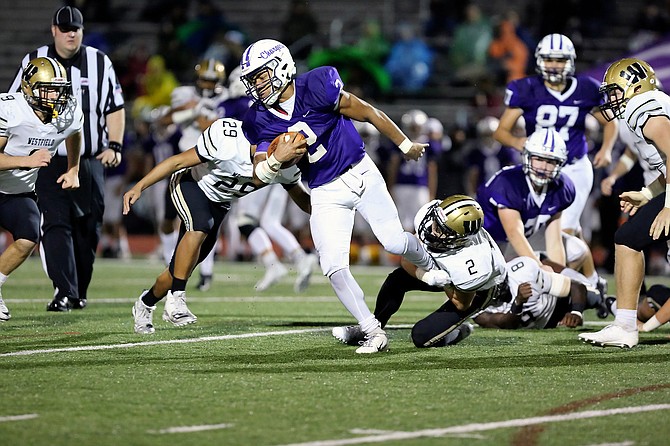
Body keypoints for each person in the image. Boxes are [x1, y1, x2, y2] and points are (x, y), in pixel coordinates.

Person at [239, 39, 446, 354]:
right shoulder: (259, 118)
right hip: (323, 190)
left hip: (359, 172)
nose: (256, 84)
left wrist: (405, 145)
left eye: (260, 76)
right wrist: (274, 161)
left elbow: (368, 112)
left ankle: (435, 266)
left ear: (280, 66)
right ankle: (372, 330)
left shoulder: (318, 84)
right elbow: (258, 170)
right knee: (333, 266)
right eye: (252, 79)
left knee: (392, 241)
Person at [123, 117, 310, 334]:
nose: (282, 163)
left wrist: (334, 208)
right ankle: (177, 299)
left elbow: (305, 202)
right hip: (191, 184)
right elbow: (177, 162)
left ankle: (145, 303)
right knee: (200, 225)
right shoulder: (229, 139)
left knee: (180, 268)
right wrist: (139, 186)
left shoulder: (284, 168)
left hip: (219, 204)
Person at [9, 6, 125, 311]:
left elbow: (114, 107)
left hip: (87, 159)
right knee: (55, 224)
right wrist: (20, 156)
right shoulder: (34, 60)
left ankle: (78, 291)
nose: (71, 33)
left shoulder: (100, 62)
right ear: (53, 30)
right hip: (45, 158)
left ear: (82, 31)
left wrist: (115, 144)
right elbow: (13, 109)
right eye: (65, 28)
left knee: (89, 228)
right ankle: (63, 290)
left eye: (76, 28)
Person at [493, 33, 618, 289]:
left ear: (570, 61)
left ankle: (563, 290)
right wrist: (521, 143)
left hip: (573, 166)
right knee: (571, 230)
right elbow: (501, 131)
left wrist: (606, 150)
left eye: (559, 60)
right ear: (539, 60)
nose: (553, 65)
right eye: (549, 59)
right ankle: (591, 281)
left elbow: (610, 123)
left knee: (564, 231)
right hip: (539, 169)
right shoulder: (526, 88)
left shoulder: (586, 88)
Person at [332, 195, 507, 348]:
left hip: (475, 291)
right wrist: (428, 275)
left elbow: (461, 304)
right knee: (397, 280)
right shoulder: (433, 216)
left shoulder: (474, 265)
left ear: (459, 239)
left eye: (440, 230)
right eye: (436, 223)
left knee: (421, 336)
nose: (432, 229)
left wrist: (446, 282)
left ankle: (455, 333)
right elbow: (408, 258)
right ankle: (372, 328)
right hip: (446, 269)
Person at [579, 58, 670, 348]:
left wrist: (668, 206)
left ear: (634, 86)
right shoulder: (651, 104)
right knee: (628, 238)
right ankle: (627, 325)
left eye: (615, 91)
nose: (612, 99)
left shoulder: (641, 107)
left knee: (627, 239)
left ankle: (625, 326)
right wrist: (647, 194)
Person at [0, 57, 83, 321]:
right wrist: (26, 160)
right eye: (49, 89)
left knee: (27, 237)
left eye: (60, 89)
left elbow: (74, 132)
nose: (57, 96)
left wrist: (73, 168)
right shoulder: (11, 110)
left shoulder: (67, 114)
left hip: (16, 192)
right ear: (28, 88)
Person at [479, 128, 574, 266]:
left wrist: (559, 274)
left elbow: (554, 240)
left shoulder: (560, 187)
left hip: (524, 240)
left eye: (550, 161)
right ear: (527, 156)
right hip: (488, 244)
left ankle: (594, 280)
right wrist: (541, 270)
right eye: (539, 159)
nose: (543, 167)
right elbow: (514, 234)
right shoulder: (509, 182)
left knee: (577, 250)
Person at [473, 256, 603, 329]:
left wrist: (576, 312)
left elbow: (575, 287)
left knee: (595, 297)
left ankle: (603, 296)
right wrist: (518, 303)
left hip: (556, 302)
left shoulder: (522, 271)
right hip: (547, 323)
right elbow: (506, 324)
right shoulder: (474, 304)